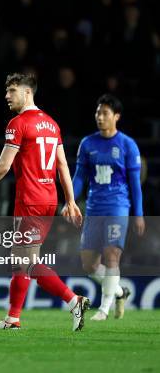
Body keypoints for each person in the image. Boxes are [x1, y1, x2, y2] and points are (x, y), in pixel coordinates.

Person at [0, 73, 90, 331]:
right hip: (48, 199)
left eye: (12, 90)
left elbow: (3, 166)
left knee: (27, 262)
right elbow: (63, 165)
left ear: (28, 92)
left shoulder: (18, 123)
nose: (7, 96)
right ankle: (13, 318)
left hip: (30, 200)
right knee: (20, 260)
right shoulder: (52, 124)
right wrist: (70, 200)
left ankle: (73, 300)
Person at [68, 94, 144, 321]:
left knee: (112, 255)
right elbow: (80, 176)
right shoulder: (87, 143)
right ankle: (121, 292)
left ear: (116, 117)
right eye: (98, 113)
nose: (100, 117)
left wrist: (138, 214)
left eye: (105, 113)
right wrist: (71, 200)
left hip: (118, 207)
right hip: (94, 208)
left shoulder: (127, 145)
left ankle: (104, 309)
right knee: (89, 265)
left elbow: (135, 184)